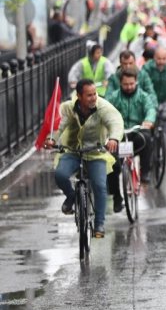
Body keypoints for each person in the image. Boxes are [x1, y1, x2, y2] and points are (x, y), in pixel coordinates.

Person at [46, 79, 124, 238]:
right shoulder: (69, 108)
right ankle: (72, 196)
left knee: (100, 186)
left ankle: (99, 224)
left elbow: (115, 121)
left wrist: (114, 138)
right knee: (60, 174)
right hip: (73, 150)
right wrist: (52, 139)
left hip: (96, 152)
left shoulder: (103, 107)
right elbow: (60, 125)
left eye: (94, 94)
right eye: (89, 95)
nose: (94, 98)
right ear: (79, 96)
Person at [106, 67, 156, 195]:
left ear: (136, 82)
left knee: (147, 139)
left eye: (131, 84)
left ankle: (145, 174)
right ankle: (115, 195)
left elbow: (150, 109)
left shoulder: (143, 96)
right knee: (112, 161)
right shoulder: (114, 97)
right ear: (120, 83)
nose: (128, 87)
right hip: (119, 135)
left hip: (136, 132)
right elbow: (105, 112)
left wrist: (148, 121)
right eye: (125, 84)